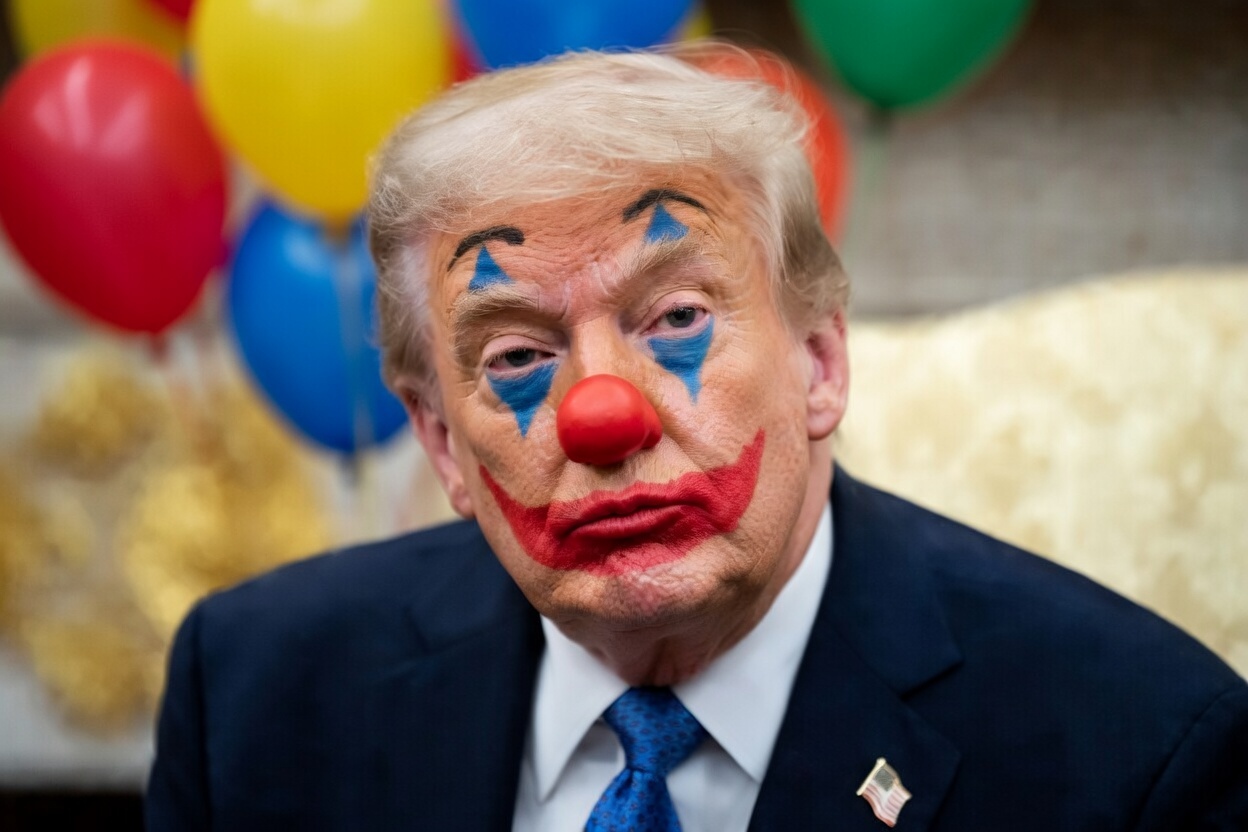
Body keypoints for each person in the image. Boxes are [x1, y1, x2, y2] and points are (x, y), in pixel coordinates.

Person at [146, 45, 1248, 831]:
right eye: (518, 355)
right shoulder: (250, 699)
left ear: (820, 361)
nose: (604, 416)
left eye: (676, 318)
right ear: (441, 441)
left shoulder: (1139, 752)